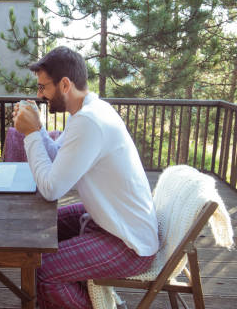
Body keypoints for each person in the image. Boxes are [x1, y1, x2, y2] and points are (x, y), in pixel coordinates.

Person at [13, 46, 159, 309]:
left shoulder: (90, 121)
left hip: (128, 242)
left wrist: (32, 133)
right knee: (35, 233)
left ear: (65, 84)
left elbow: (51, 188)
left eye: (43, 87)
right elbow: (57, 157)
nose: (39, 94)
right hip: (109, 219)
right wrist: (39, 128)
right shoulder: (88, 110)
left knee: (42, 270)